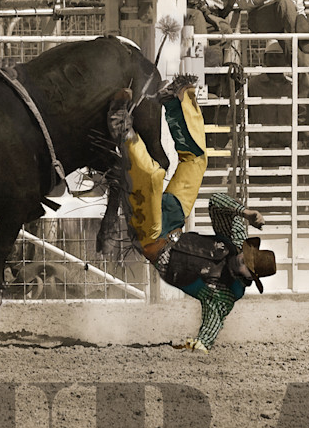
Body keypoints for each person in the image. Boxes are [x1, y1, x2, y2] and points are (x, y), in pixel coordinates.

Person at [108, 75, 276, 352]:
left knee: (151, 176)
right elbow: (215, 203)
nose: (241, 257)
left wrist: (202, 343)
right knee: (197, 161)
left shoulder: (224, 296)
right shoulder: (236, 241)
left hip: (152, 239)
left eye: (246, 262)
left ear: (248, 277)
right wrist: (243, 211)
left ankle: (121, 126)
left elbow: (213, 322)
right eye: (246, 253)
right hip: (174, 223)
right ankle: (174, 102)